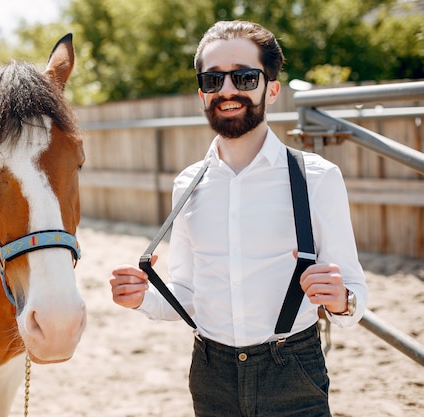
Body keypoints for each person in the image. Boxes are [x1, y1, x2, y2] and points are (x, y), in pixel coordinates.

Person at [109, 20, 367, 417]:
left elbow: (353, 291)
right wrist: (141, 297)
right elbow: (188, 292)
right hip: (210, 373)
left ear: (272, 89)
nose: (227, 90)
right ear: (202, 94)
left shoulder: (317, 178)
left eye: (244, 77)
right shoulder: (187, 185)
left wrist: (341, 301)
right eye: (213, 80)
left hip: (292, 372)